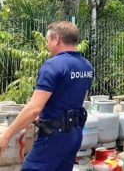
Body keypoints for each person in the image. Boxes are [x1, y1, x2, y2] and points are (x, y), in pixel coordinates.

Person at [0, 21, 93, 171]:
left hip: (53, 138)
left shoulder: (53, 65)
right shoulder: (87, 66)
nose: (47, 44)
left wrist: (6, 135)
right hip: (74, 135)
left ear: (56, 39)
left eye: (48, 40)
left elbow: (34, 109)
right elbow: (74, 99)